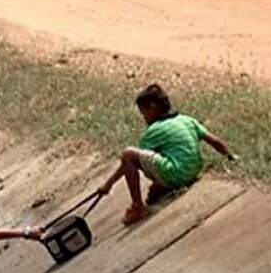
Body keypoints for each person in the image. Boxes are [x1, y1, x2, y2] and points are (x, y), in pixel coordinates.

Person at [99, 83, 237, 225]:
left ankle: (137, 206)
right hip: (194, 171)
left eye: (144, 113)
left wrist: (108, 184)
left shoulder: (154, 130)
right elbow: (214, 141)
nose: (144, 118)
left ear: (153, 108)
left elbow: (130, 162)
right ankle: (161, 187)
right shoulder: (186, 120)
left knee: (128, 154)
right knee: (154, 183)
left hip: (176, 173)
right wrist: (230, 156)